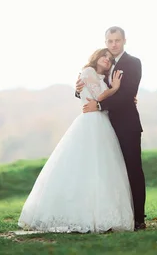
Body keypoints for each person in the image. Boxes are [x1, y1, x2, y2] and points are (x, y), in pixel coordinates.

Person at [18, 48, 134, 233]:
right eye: (104, 55)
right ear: (96, 57)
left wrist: (124, 96)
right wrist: (115, 89)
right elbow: (97, 97)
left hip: (103, 123)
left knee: (101, 168)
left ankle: (100, 214)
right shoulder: (87, 72)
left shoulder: (104, 78)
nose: (107, 59)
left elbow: (107, 101)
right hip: (90, 123)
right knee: (83, 165)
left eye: (110, 59)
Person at [75, 26, 147, 231]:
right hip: (104, 126)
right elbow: (94, 86)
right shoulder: (104, 66)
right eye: (110, 41)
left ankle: (139, 219)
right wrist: (78, 88)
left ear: (124, 40)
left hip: (126, 125)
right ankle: (112, 215)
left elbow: (126, 94)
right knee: (108, 172)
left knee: (133, 170)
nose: (114, 44)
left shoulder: (133, 63)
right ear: (105, 42)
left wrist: (99, 105)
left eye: (117, 40)